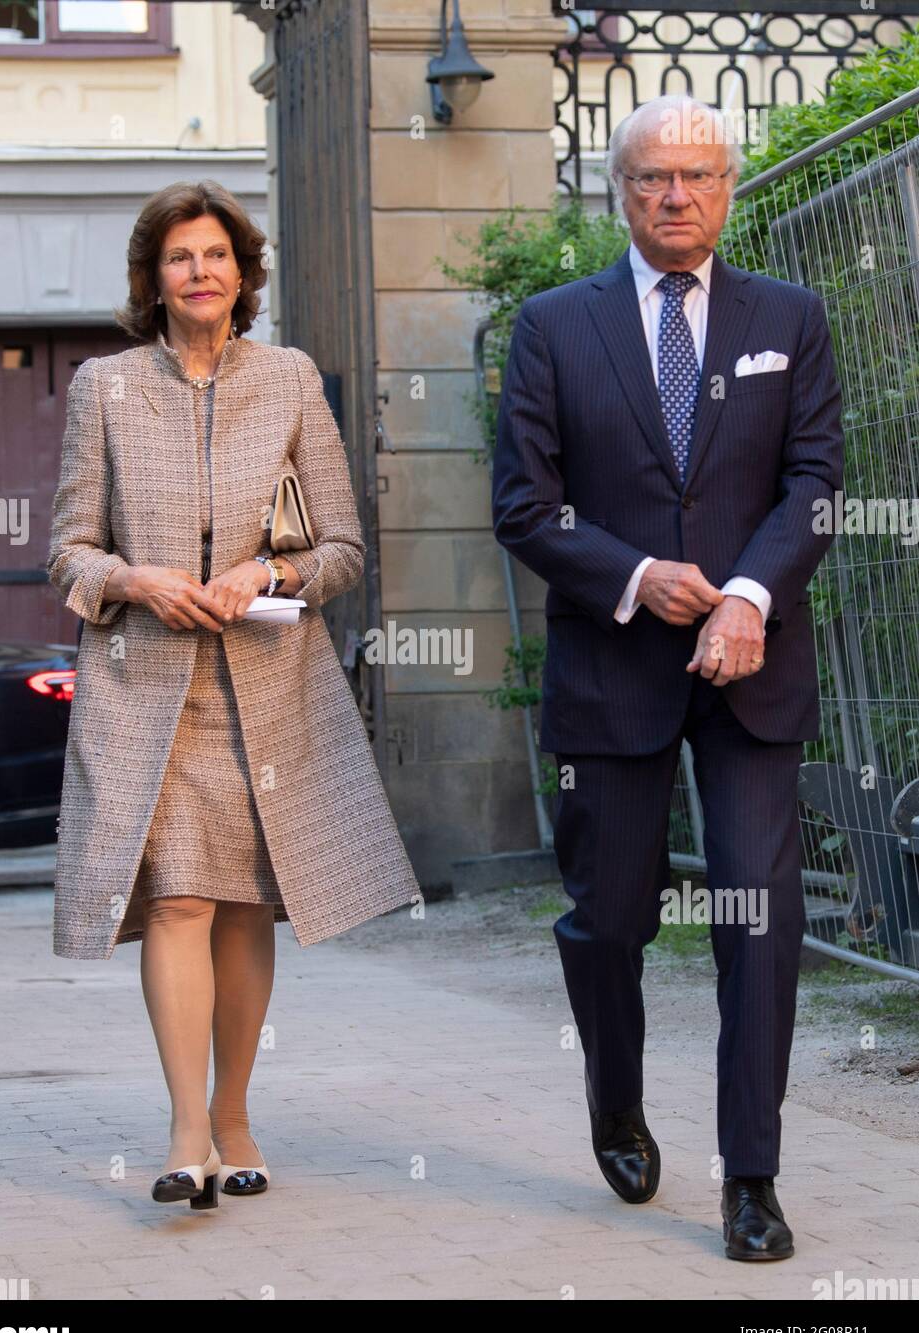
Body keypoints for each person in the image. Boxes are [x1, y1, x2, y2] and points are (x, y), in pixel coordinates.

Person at [491, 96, 843, 1260]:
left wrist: (746, 595)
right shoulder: (551, 325)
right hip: (612, 669)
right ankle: (613, 1101)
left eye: (695, 175)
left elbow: (814, 484)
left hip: (750, 666)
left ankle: (750, 1175)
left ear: (728, 187)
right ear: (618, 193)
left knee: (757, 912)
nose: (674, 196)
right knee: (608, 921)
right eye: (650, 179)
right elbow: (524, 509)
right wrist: (640, 573)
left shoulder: (790, 317)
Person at [48, 180, 420, 1210]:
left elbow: (342, 549)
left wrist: (268, 574)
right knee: (173, 893)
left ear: (243, 272)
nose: (199, 272)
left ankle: (236, 1114)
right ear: (152, 279)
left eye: (215, 254)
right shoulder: (104, 386)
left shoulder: (291, 379)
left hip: (264, 686)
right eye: (179, 258)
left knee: (245, 902)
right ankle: (182, 1134)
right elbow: (67, 551)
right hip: (144, 688)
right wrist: (134, 580)